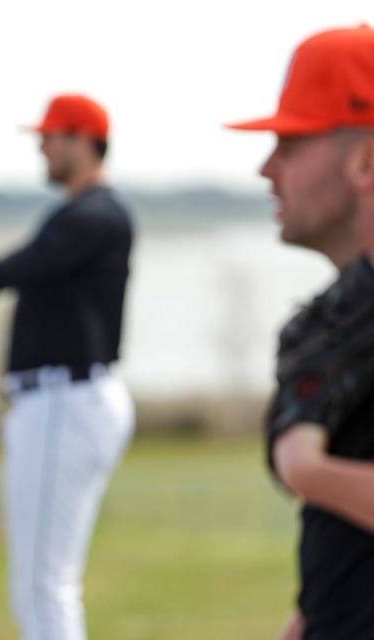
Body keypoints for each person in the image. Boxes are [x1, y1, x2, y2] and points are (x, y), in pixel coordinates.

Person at [0, 94, 135, 640]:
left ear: (83, 140)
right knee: (48, 585)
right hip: (67, 397)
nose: (42, 146)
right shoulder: (87, 211)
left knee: (43, 589)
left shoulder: (95, 213)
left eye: (50, 136)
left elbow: (16, 269)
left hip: (65, 398)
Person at [227, 24, 374, 640]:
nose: (267, 168)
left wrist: (303, 468)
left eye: (290, 143)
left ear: (365, 160)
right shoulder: (339, 315)